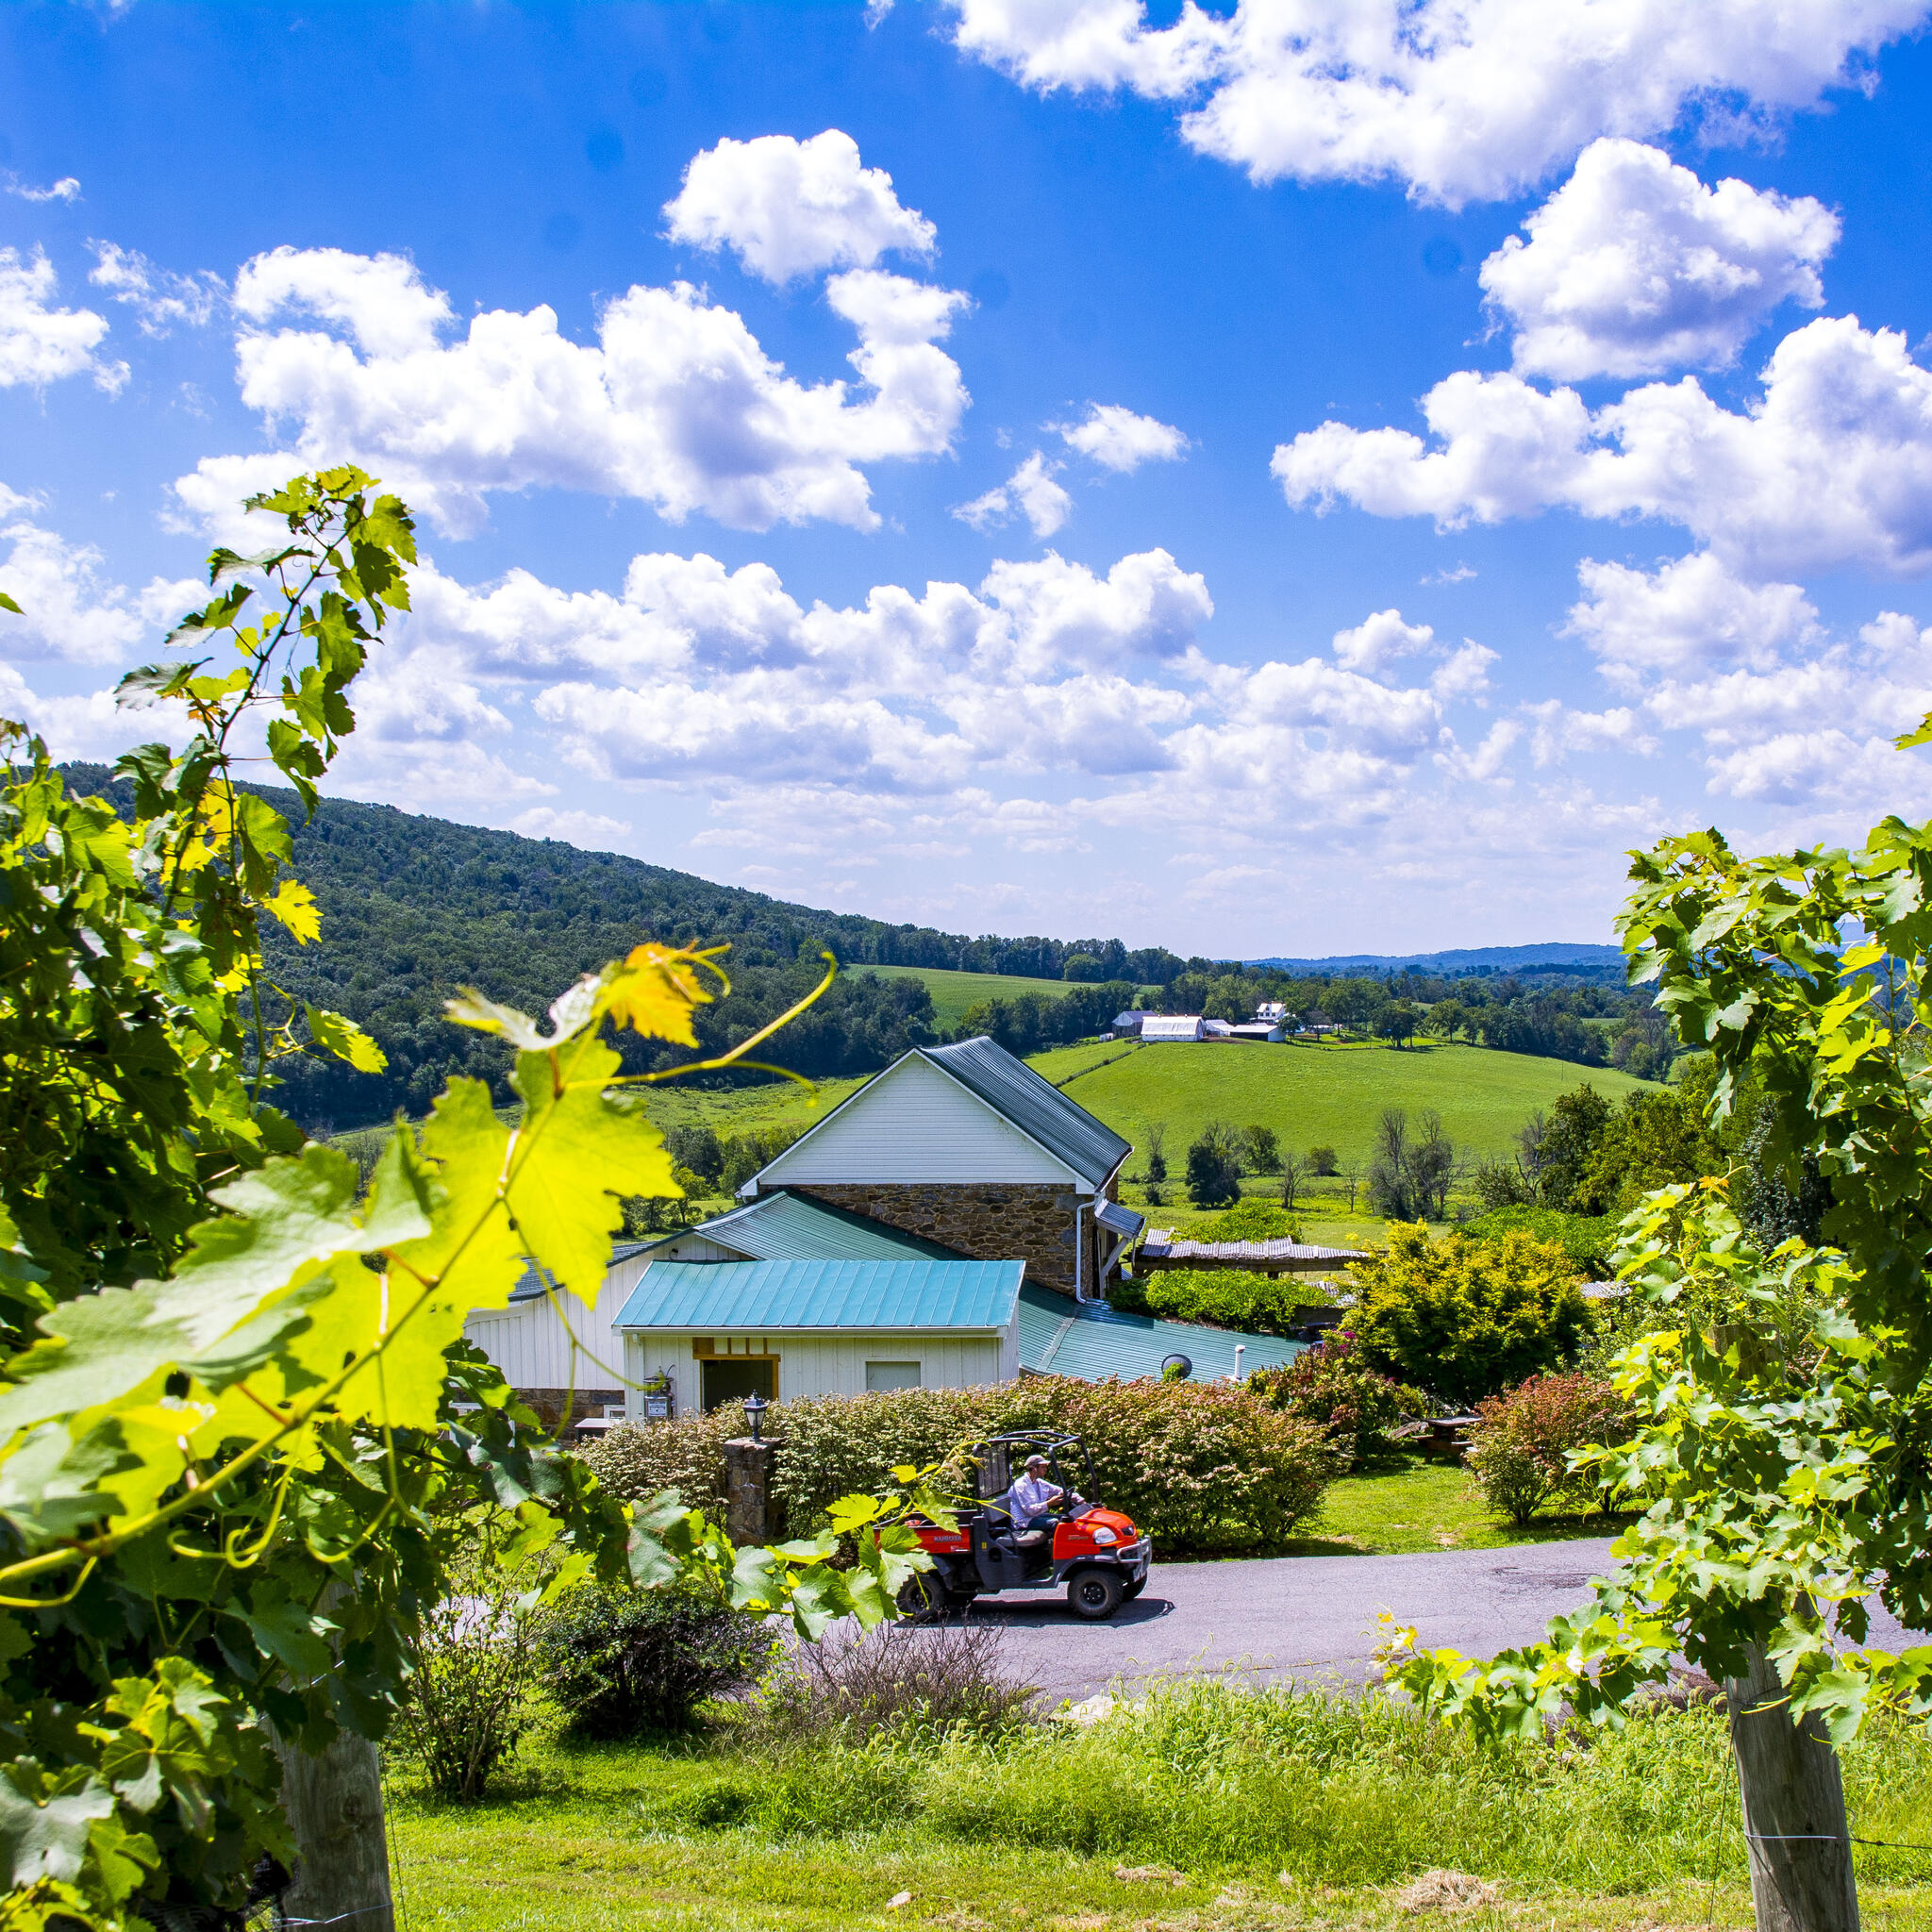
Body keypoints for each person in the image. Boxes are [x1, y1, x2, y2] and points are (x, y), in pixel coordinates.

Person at [1005, 1453, 1064, 1532]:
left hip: (1035, 1516)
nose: (1046, 1469)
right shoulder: (1021, 1485)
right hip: (1023, 1522)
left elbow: (1060, 1491)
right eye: (1043, 1467)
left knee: (1065, 1518)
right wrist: (1049, 1503)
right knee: (1055, 1523)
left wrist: (1080, 1500)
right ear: (1034, 1468)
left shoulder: (1039, 1482)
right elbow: (1029, 1510)